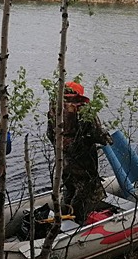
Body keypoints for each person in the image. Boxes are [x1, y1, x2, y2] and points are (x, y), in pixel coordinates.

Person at [47, 81, 112, 224]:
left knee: (69, 188)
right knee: (84, 191)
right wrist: (107, 139)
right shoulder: (84, 110)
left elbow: (50, 134)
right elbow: (97, 133)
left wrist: (62, 147)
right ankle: (78, 222)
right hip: (83, 160)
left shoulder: (55, 109)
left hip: (62, 159)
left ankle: (64, 217)